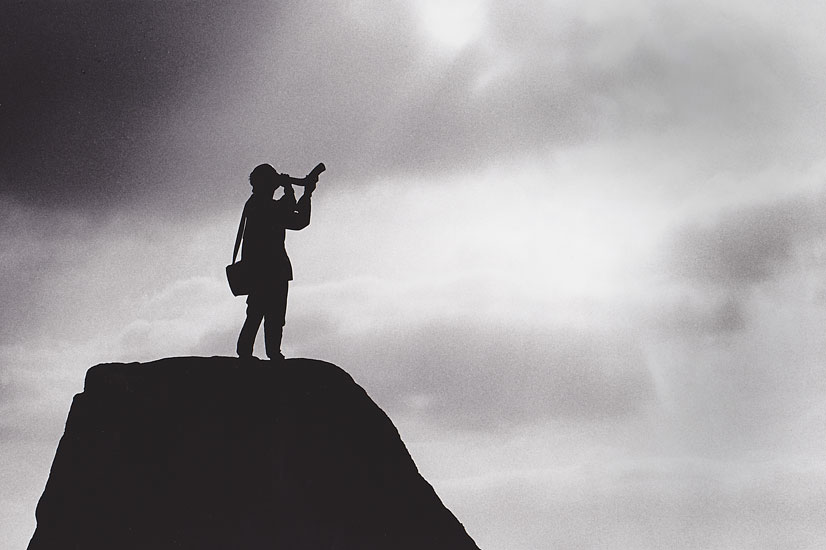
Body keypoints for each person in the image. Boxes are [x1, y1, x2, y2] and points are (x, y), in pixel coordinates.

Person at [235, 163, 318, 361]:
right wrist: (298, 192)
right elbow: (296, 219)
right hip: (267, 270)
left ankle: (265, 352)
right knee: (261, 313)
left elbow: (294, 218)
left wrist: (303, 194)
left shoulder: (257, 203)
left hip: (270, 269)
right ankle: (254, 353)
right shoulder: (260, 205)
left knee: (269, 314)